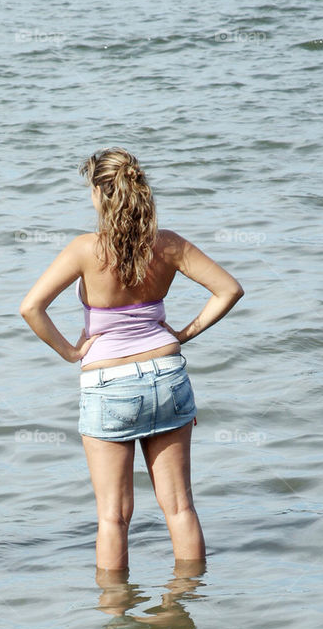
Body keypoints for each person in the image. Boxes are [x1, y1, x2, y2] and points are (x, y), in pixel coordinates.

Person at [20, 148, 243, 571]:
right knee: (179, 509)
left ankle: (117, 628)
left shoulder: (85, 250)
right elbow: (229, 289)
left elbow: (31, 308)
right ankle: (184, 612)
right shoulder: (169, 244)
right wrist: (182, 333)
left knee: (113, 517)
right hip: (167, 375)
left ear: (100, 195)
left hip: (109, 385)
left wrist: (71, 351)